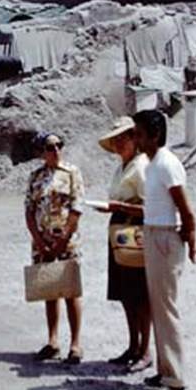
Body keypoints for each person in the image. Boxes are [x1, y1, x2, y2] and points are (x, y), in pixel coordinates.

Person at [131, 109, 196, 390]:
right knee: (158, 307)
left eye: (138, 133)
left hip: (164, 238)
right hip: (154, 234)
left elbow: (186, 209)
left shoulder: (166, 164)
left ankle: (174, 377)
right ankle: (164, 371)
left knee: (165, 309)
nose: (135, 139)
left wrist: (190, 240)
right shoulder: (152, 165)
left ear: (154, 135)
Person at [96, 117, 152, 372]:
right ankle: (133, 345)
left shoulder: (141, 167)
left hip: (135, 228)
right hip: (119, 227)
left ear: (134, 139)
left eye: (123, 138)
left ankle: (145, 349)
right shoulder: (122, 167)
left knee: (140, 293)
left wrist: (120, 207)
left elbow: (150, 206)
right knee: (126, 293)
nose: (119, 143)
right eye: (116, 139)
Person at [24, 132, 85, 364]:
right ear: (42, 152)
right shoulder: (35, 177)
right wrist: (39, 241)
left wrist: (62, 240)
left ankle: (76, 344)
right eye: (50, 147)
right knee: (50, 290)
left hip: (66, 242)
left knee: (71, 291)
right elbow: (29, 209)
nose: (56, 150)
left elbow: (77, 208)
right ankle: (52, 341)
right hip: (42, 242)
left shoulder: (72, 174)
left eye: (59, 145)